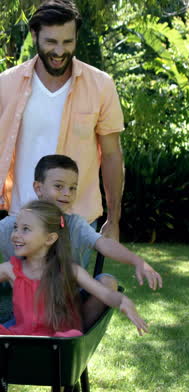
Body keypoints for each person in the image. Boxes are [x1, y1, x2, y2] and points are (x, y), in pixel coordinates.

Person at [0, 0, 124, 240]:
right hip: (21, 221)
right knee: (16, 280)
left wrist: (114, 219)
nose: (59, 51)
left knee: (71, 280)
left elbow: (112, 155)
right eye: (51, 42)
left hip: (77, 224)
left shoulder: (101, 85)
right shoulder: (6, 85)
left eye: (68, 42)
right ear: (35, 35)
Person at [0, 154, 163, 328]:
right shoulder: (15, 227)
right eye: (58, 186)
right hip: (24, 318)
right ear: (38, 188)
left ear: (50, 238)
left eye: (72, 188)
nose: (66, 193)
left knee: (107, 282)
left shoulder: (74, 229)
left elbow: (103, 244)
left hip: (68, 305)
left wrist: (135, 261)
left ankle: (75, 331)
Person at [0, 200, 147, 338]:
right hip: (22, 338)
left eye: (25, 229)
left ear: (50, 238)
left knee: (68, 338)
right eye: (15, 228)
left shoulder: (68, 270)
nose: (15, 235)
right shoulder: (11, 270)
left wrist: (123, 301)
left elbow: (106, 294)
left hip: (60, 341)